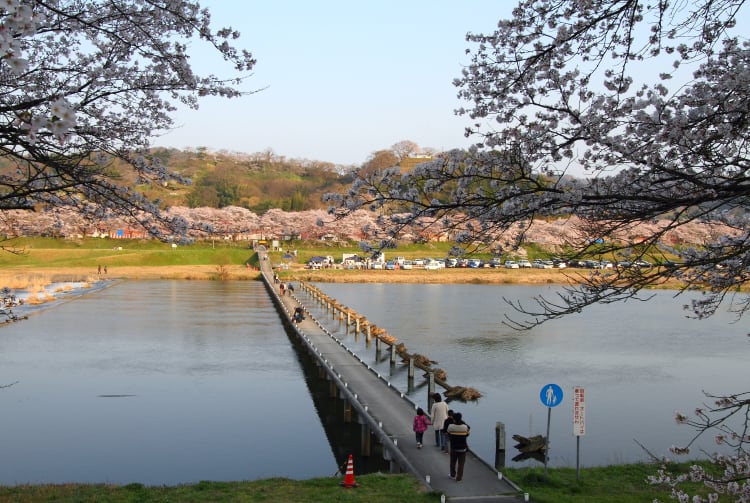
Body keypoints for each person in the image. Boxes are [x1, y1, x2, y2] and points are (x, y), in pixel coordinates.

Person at [447, 412, 470, 482]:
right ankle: (459, 478)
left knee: (453, 462)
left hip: (454, 448)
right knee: (461, 464)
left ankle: (452, 474)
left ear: (454, 419)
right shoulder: (465, 427)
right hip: (463, 448)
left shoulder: (450, 426)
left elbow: (448, 433)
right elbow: (467, 434)